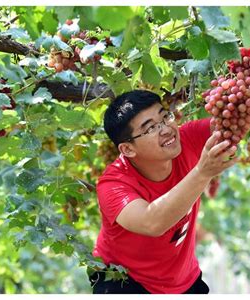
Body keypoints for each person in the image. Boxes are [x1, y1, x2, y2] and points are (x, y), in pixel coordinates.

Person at [90, 90, 238, 294]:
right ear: (128, 149)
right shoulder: (112, 184)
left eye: (165, 116)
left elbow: (232, 124)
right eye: (151, 127)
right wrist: (202, 173)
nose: (166, 129)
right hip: (123, 279)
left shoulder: (188, 138)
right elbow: (152, 222)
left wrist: (238, 104)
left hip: (183, 279)